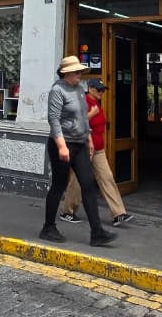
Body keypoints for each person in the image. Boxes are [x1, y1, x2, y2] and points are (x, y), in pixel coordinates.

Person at [40, 56, 117, 247]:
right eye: (76, 72)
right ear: (66, 73)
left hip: (80, 144)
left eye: (80, 71)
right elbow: (54, 120)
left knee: (88, 184)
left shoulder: (79, 90)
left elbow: (83, 117)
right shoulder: (57, 90)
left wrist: (88, 138)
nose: (79, 74)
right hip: (63, 144)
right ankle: (48, 227)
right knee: (58, 186)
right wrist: (61, 146)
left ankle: (97, 233)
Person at [58, 77, 135, 227]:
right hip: (83, 148)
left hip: (98, 149)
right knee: (77, 182)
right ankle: (67, 211)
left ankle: (118, 214)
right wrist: (90, 116)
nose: (101, 92)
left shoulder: (96, 104)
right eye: (98, 89)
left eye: (103, 90)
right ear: (90, 89)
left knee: (107, 178)